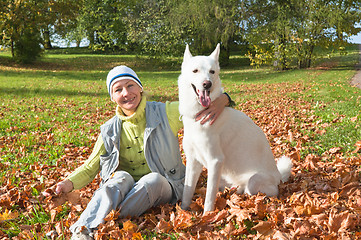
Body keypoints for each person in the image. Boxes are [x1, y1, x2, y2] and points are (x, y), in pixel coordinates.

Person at [43, 65, 232, 240]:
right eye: (118, 90)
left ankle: (106, 221)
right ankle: (81, 231)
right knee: (120, 178)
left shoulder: (166, 112)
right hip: (126, 186)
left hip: (167, 184)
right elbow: (91, 166)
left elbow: (202, 105)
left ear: (140, 87)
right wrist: (65, 184)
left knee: (153, 179)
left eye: (130, 85)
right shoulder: (109, 129)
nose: (126, 93)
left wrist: (224, 99)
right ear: (112, 97)